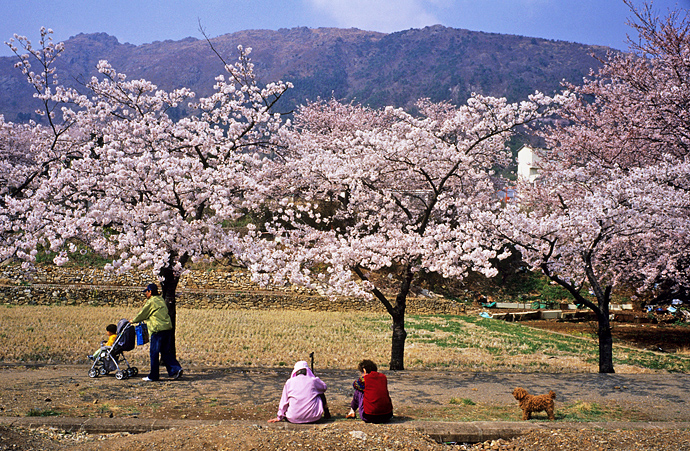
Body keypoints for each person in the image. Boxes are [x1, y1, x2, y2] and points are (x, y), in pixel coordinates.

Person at [132, 283, 183, 382]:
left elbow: (142, 314)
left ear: (150, 292)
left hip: (157, 330)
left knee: (154, 353)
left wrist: (133, 320)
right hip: (167, 328)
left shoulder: (151, 302)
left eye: (146, 292)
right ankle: (176, 369)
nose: (145, 294)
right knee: (165, 352)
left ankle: (153, 376)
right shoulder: (161, 300)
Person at [346, 359, 393, 423]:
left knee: (358, 391)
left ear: (364, 370)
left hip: (369, 416)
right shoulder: (383, 377)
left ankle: (352, 411)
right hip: (388, 415)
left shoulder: (364, 379)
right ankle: (352, 411)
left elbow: (355, 385)